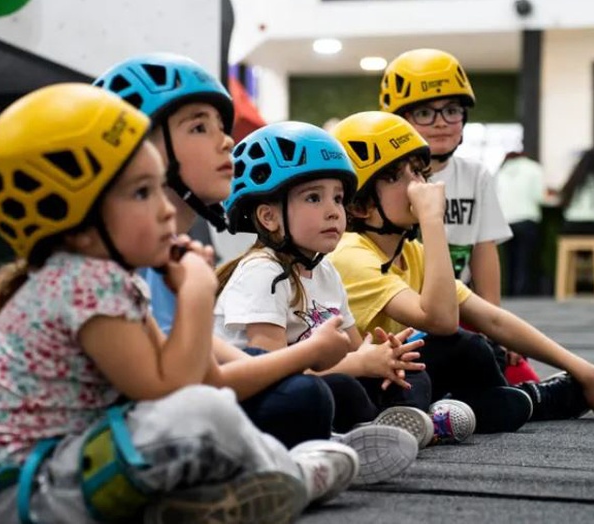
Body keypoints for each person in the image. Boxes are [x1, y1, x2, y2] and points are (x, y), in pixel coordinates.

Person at [0, 83, 360, 524]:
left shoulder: (106, 279)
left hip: (63, 471)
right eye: (142, 193)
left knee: (213, 406)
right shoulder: (87, 283)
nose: (166, 210)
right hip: (35, 489)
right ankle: (291, 475)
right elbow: (177, 392)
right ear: (79, 222)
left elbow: (205, 377)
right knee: (202, 413)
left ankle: (219, 492)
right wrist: (196, 291)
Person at [96, 54, 420, 472]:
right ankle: (298, 458)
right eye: (199, 128)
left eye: (221, 127)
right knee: (306, 395)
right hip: (125, 442)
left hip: (175, 414)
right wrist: (320, 357)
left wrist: (347, 358)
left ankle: (317, 447)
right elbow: (191, 387)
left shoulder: (168, 255)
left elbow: (223, 371)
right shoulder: (120, 268)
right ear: (141, 150)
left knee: (337, 385)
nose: (226, 142)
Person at [329, 111, 594, 435]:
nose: (418, 186)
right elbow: (441, 321)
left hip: (401, 376)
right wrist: (432, 220)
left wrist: (582, 368)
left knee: (473, 348)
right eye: (397, 177)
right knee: (453, 347)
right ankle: (522, 402)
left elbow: (492, 319)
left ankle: (484, 406)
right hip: (365, 385)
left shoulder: (409, 252)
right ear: (359, 206)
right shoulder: (350, 252)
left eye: (419, 171)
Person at [216, 121, 471, 450]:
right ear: (269, 217)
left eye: (338, 198)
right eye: (313, 198)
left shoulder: (325, 271)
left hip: (318, 380)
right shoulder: (261, 272)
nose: (333, 212)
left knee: (408, 373)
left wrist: (382, 357)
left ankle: (395, 423)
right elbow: (273, 372)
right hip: (265, 395)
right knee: (334, 389)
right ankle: (381, 429)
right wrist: (360, 363)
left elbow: (355, 348)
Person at [379, 48, 540, 384]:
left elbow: (484, 249)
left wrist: (495, 327)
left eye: (451, 111)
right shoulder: (386, 182)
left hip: (461, 307)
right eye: (425, 112)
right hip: (405, 310)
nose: (440, 122)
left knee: (519, 376)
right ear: (398, 121)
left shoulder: (476, 175)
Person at [496, 151, 546, 296]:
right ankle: (523, 292)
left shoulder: (501, 171)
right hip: (527, 220)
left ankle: (510, 291)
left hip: (505, 221)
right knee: (525, 260)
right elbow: (540, 196)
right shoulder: (534, 168)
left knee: (509, 260)